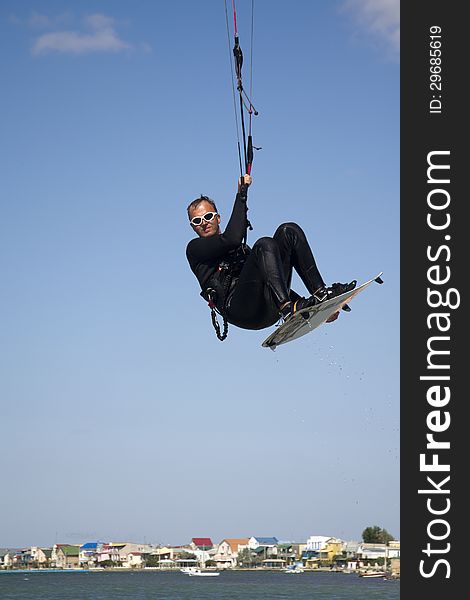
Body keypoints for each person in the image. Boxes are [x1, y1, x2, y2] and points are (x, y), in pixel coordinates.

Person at [186, 175, 356, 333]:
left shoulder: (243, 251)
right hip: (241, 311)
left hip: (267, 304)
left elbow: (271, 278)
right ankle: (288, 308)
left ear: (218, 218)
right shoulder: (194, 249)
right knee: (264, 244)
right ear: (193, 226)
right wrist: (241, 195)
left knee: (288, 231)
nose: (204, 223)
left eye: (208, 216)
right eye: (197, 221)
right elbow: (232, 239)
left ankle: (321, 295)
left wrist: (318, 311)